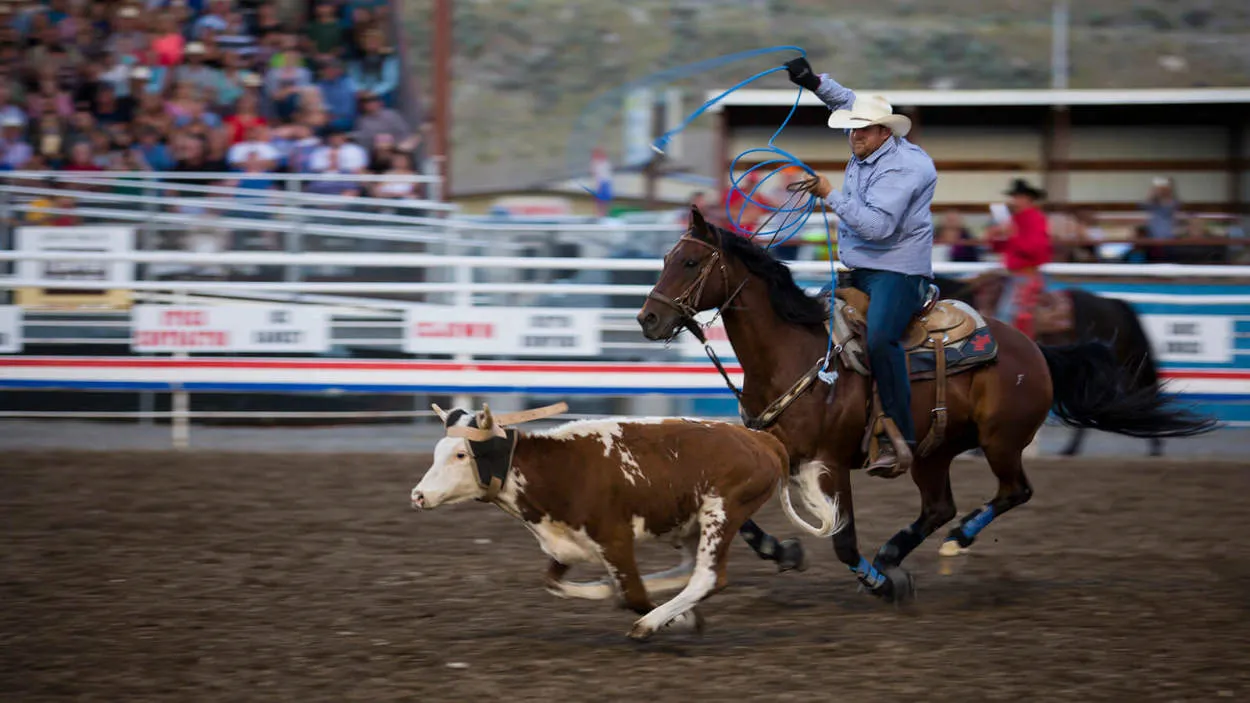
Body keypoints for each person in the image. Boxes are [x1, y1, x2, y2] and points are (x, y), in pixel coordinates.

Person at [785, 57, 937, 480]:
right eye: (850, 129)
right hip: (861, 268)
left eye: (861, 131)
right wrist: (812, 81)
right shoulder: (871, 139)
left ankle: (898, 436)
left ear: (884, 132)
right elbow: (846, 100)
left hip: (899, 271)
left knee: (883, 339)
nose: (853, 136)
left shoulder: (907, 168)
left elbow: (878, 226)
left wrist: (829, 193)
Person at [985, 179, 1053, 340]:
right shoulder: (1015, 220)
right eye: (1014, 197)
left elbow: (1033, 249)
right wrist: (996, 235)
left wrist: (1009, 234)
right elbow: (999, 248)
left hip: (1025, 275)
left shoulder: (1035, 218)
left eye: (1018, 197)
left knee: (1007, 313)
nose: (1014, 201)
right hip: (1014, 273)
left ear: (1027, 199)